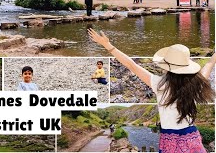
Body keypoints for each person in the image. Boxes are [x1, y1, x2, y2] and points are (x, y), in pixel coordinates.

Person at [87, 28, 215, 152]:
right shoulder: (196, 83)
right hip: (192, 137)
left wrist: (108, 45)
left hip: (170, 142)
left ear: (167, 67)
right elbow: (209, 64)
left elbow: (131, 65)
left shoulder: (160, 85)